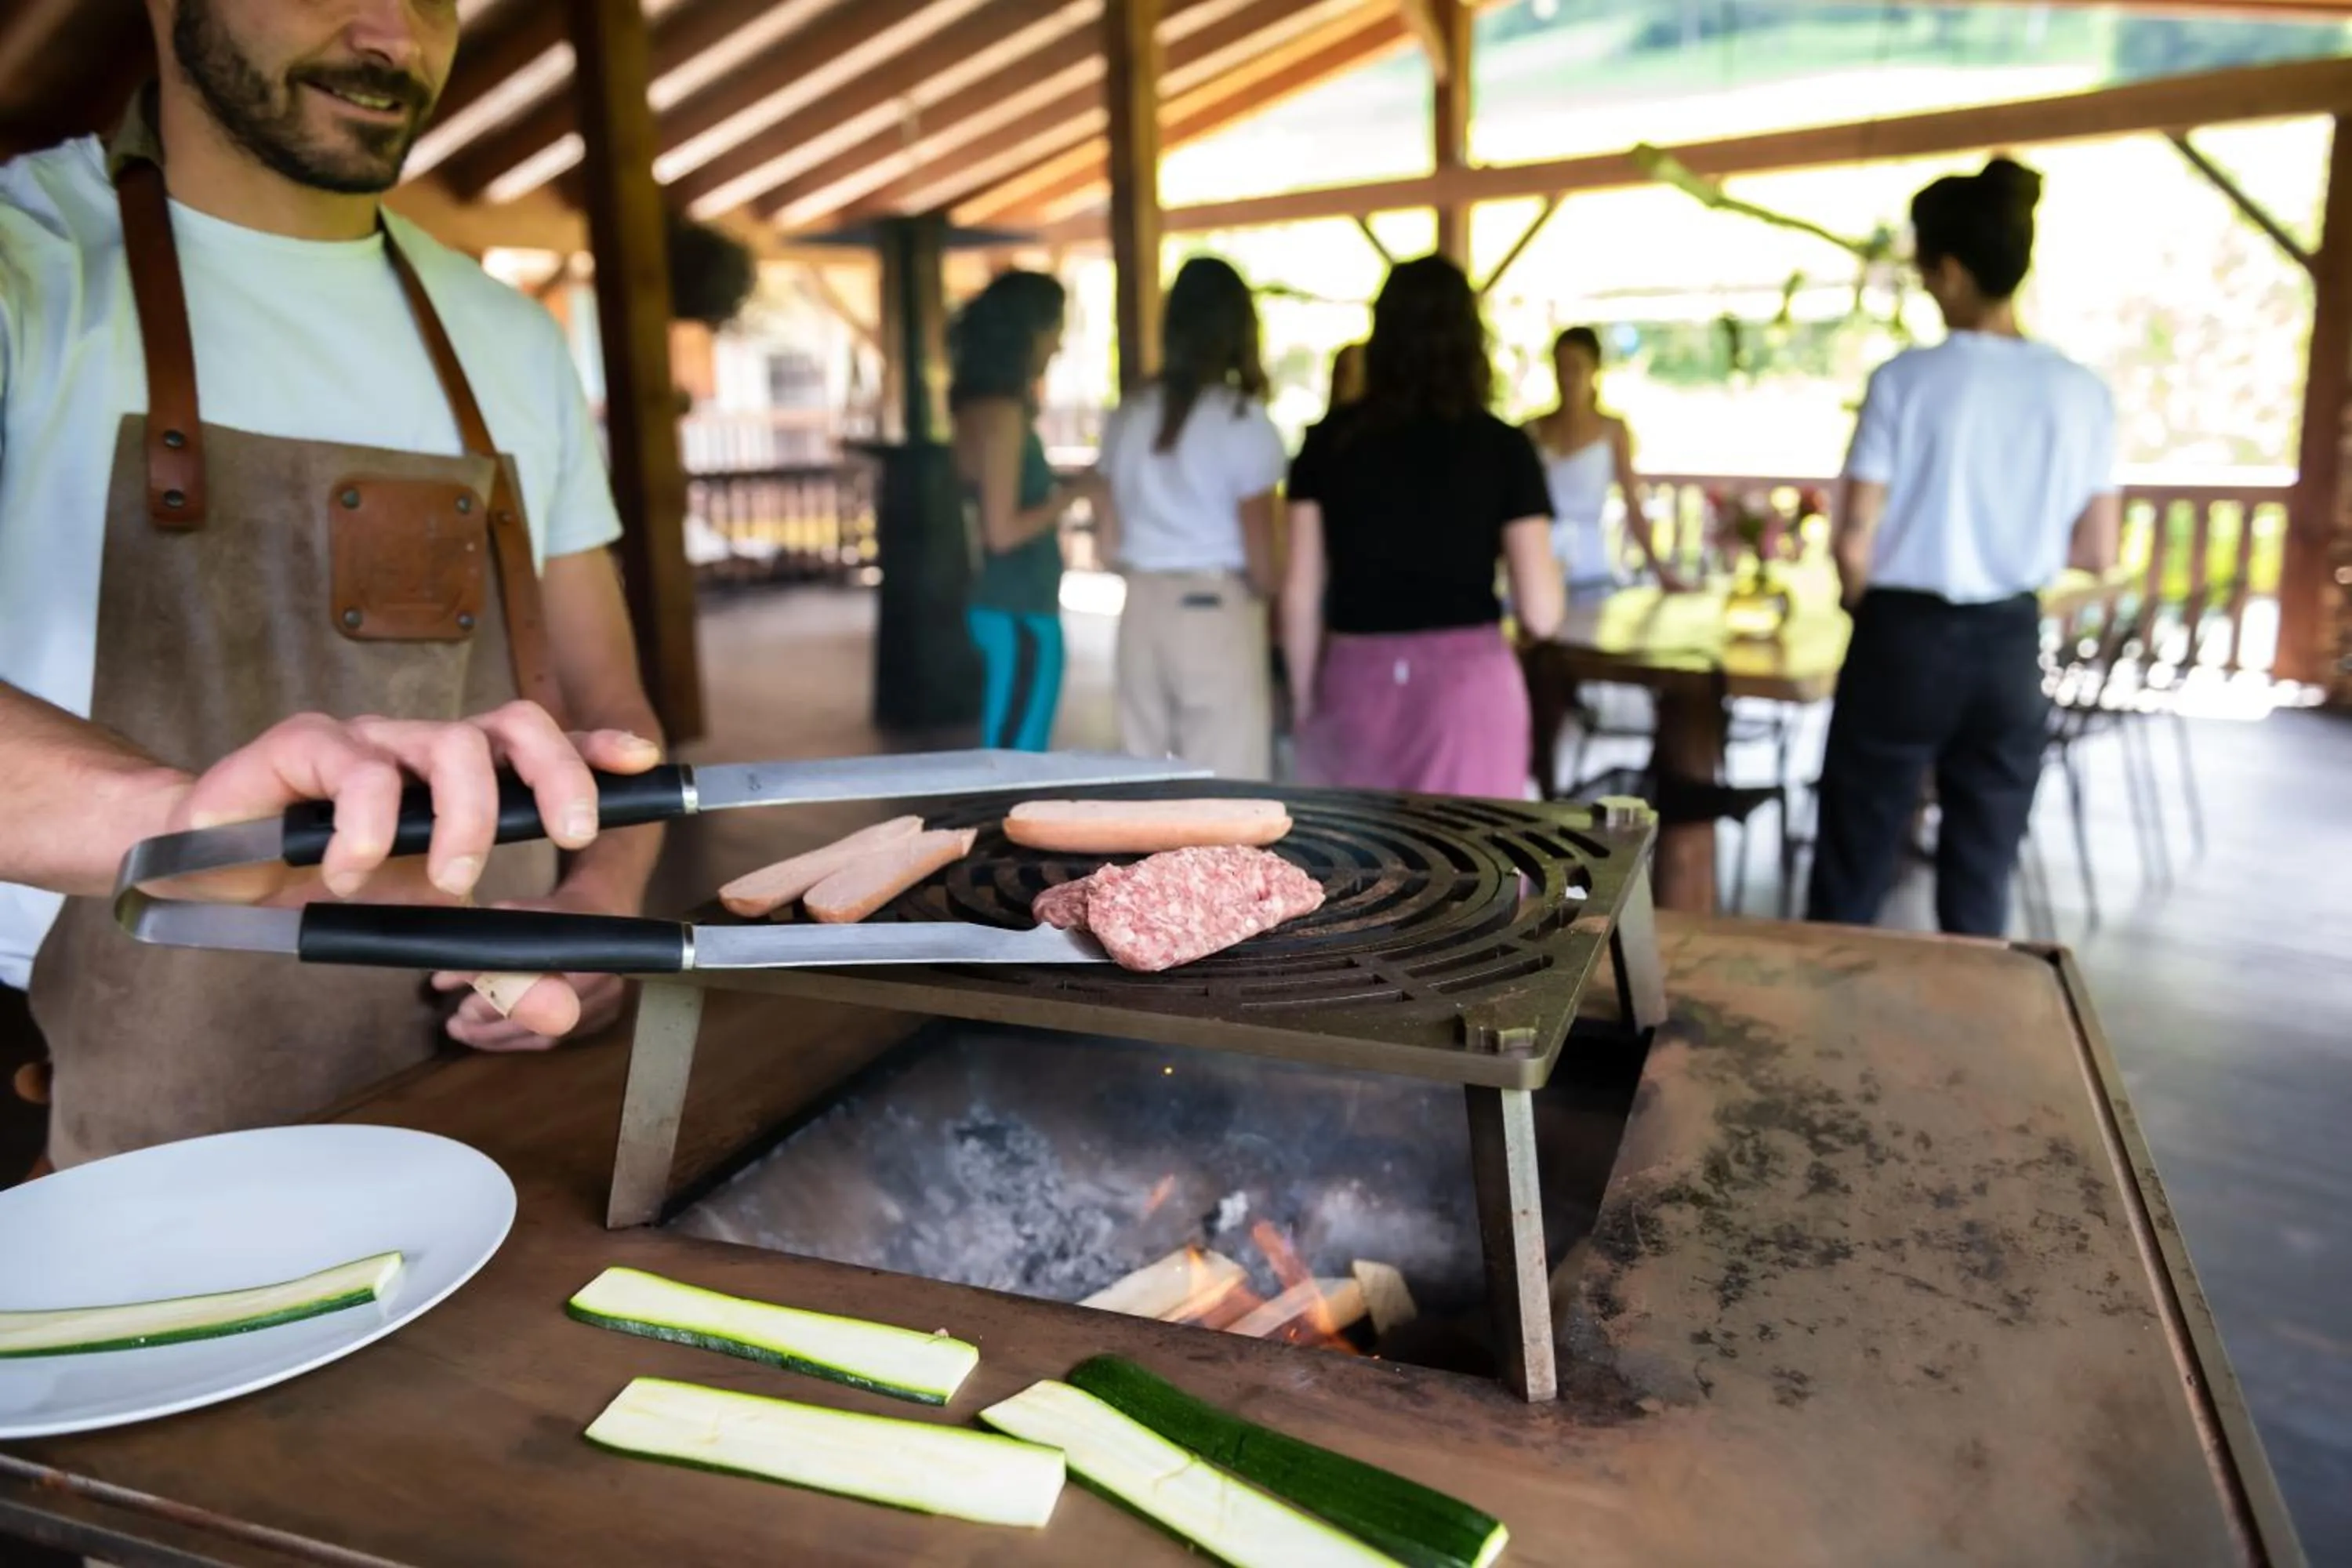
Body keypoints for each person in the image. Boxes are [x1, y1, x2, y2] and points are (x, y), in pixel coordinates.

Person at [0, 0, 664, 1169]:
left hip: (485, 1080)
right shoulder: (27, 267)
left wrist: (603, 901)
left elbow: (613, 711)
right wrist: (182, 829)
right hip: (119, 1097)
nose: (392, 37)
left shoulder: (506, 335)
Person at [1807, 157, 2119, 937]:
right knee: (1981, 880)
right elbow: (2099, 546)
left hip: (1903, 639)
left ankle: (1812, 1039)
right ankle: (1972, 1046)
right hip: (2010, 645)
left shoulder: (1906, 380)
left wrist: (1860, 601)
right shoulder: (2083, 390)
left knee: (1852, 868)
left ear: (1949, 271)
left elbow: (1853, 538)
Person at [1279, 256, 1566, 798]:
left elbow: (1300, 590)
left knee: (1357, 876)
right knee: (1477, 871)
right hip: (1467, 689)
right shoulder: (1503, 447)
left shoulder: (1327, 442)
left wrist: (1302, 701)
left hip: (1357, 679)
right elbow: (1542, 613)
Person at [1098, 258, 1289, 779]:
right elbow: (1265, 565)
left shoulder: (1131, 413)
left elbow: (1107, 543)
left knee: (1139, 780)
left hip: (1140, 608)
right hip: (1215, 611)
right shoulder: (1241, 421)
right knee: (1226, 790)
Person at [948, 270, 1096, 752]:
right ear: (1026, 333)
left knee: (1011, 751)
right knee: (1014, 763)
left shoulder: (976, 409)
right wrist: (1074, 493)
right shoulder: (1002, 416)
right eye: (1054, 327)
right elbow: (1002, 531)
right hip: (1017, 612)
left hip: (1004, 608)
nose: (1058, 344)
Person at [1525, 326, 1686, 598]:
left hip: (1592, 564)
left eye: (1575, 367)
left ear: (1594, 369)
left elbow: (1633, 505)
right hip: (1538, 562)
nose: (1566, 378)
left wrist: (1659, 570)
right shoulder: (1532, 429)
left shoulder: (1612, 429)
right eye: (1560, 367)